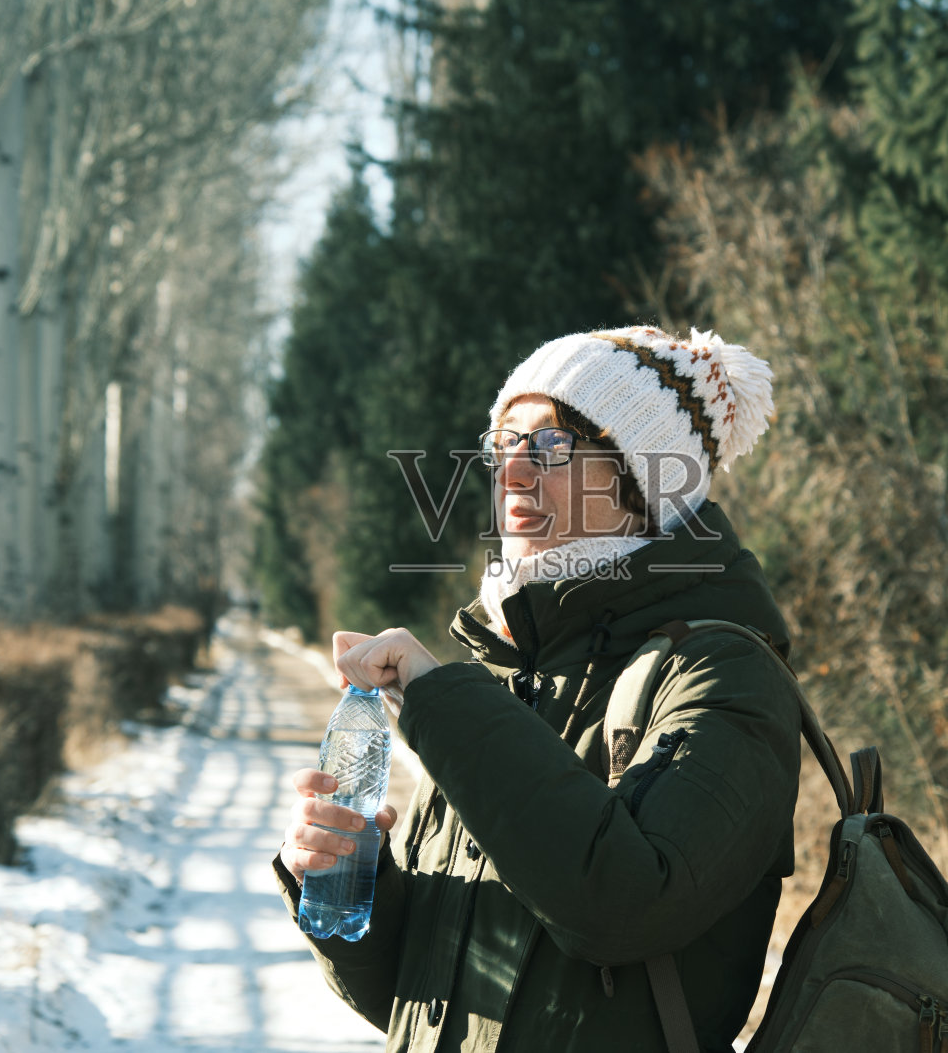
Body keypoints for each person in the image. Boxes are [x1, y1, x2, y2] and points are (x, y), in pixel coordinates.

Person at [273, 325, 801, 1052]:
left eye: (549, 446)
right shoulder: (504, 672)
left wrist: (441, 701)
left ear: (643, 482)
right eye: (502, 444)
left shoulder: (724, 674)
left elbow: (622, 904)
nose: (512, 473)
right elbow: (419, 999)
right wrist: (351, 882)